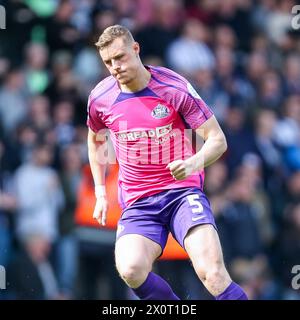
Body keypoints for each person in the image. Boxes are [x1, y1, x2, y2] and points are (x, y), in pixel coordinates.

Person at [87, 25, 248, 300]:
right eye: (108, 62)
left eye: (121, 57)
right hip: (138, 202)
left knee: (213, 273)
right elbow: (95, 139)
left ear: (136, 49)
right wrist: (101, 193)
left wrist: (194, 163)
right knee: (130, 269)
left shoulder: (173, 87)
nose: (116, 67)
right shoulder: (100, 98)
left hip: (182, 195)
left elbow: (217, 140)